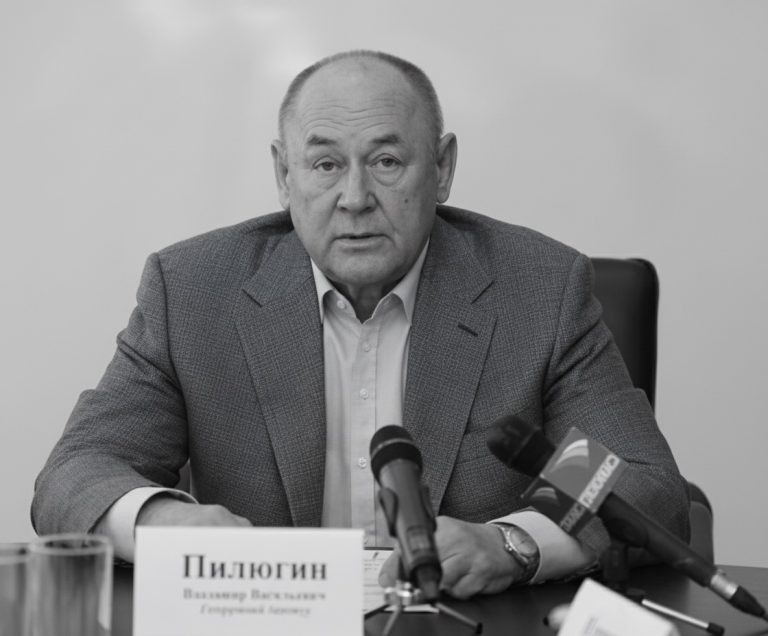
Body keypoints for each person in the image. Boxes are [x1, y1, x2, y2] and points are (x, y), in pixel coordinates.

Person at [32, 50, 689, 599]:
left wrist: (512, 542)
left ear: (442, 169)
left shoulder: (535, 292)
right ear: (283, 176)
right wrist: (162, 521)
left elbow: (635, 479)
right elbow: (80, 471)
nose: (354, 199)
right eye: (325, 165)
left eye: (386, 162)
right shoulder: (196, 292)